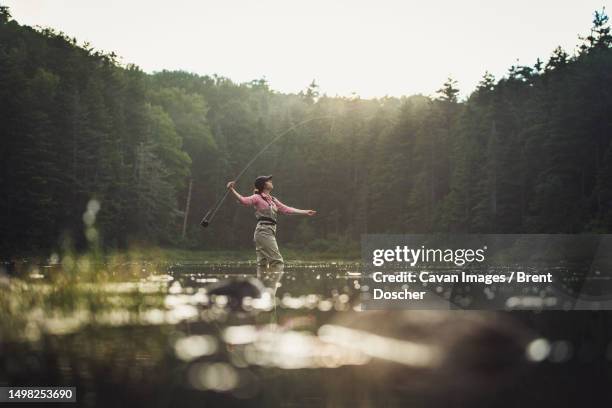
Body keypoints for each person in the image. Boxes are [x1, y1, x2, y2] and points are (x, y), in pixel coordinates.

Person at [227, 175, 316, 291]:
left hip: (268, 232)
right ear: (264, 185)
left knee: (262, 264)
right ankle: (271, 290)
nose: (271, 181)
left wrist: (305, 212)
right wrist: (232, 189)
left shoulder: (273, 199)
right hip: (263, 231)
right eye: (269, 181)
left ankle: (261, 294)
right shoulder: (257, 197)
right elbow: (244, 201)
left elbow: (287, 209)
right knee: (277, 262)